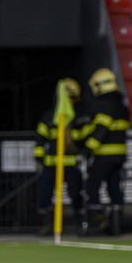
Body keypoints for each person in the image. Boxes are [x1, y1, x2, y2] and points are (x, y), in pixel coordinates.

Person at [33, 78, 88, 234]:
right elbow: (40, 139)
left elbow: (85, 139)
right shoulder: (49, 117)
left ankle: (80, 220)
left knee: (76, 192)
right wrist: (40, 158)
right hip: (51, 164)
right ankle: (48, 223)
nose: (70, 101)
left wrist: (83, 152)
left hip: (71, 164)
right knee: (44, 192)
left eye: (72, 98)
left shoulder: (80, 118)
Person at [83, 68, 130, 236]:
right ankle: (116, 226)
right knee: (114, 189)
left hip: (105, 155)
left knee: (92, 186)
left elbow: (101, 130)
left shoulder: (105, 105)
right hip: (119, 156)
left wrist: (88, 148)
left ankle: (97, 224)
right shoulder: (121, 106)